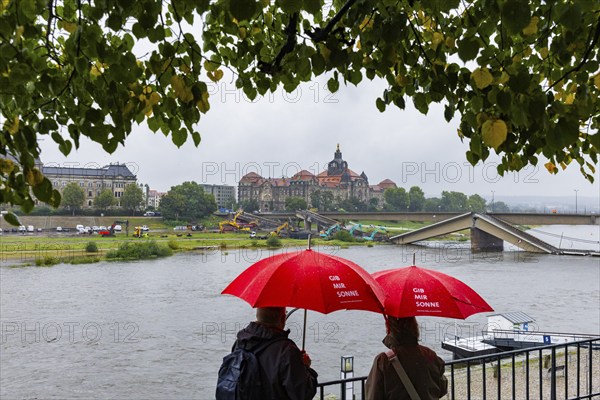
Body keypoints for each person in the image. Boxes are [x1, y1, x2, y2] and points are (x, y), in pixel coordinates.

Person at [229, 307, 318, 400]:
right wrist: (306, 368)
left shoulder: (240, 342)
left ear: (257, 316)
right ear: (283, 318)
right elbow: (303, 394)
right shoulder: (287, 350)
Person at [366, 316, 447, 400]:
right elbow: (442, 389)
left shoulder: (383, 361)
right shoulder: (430, 355)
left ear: (389, 329)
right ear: (415, 327)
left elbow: (373, 396)